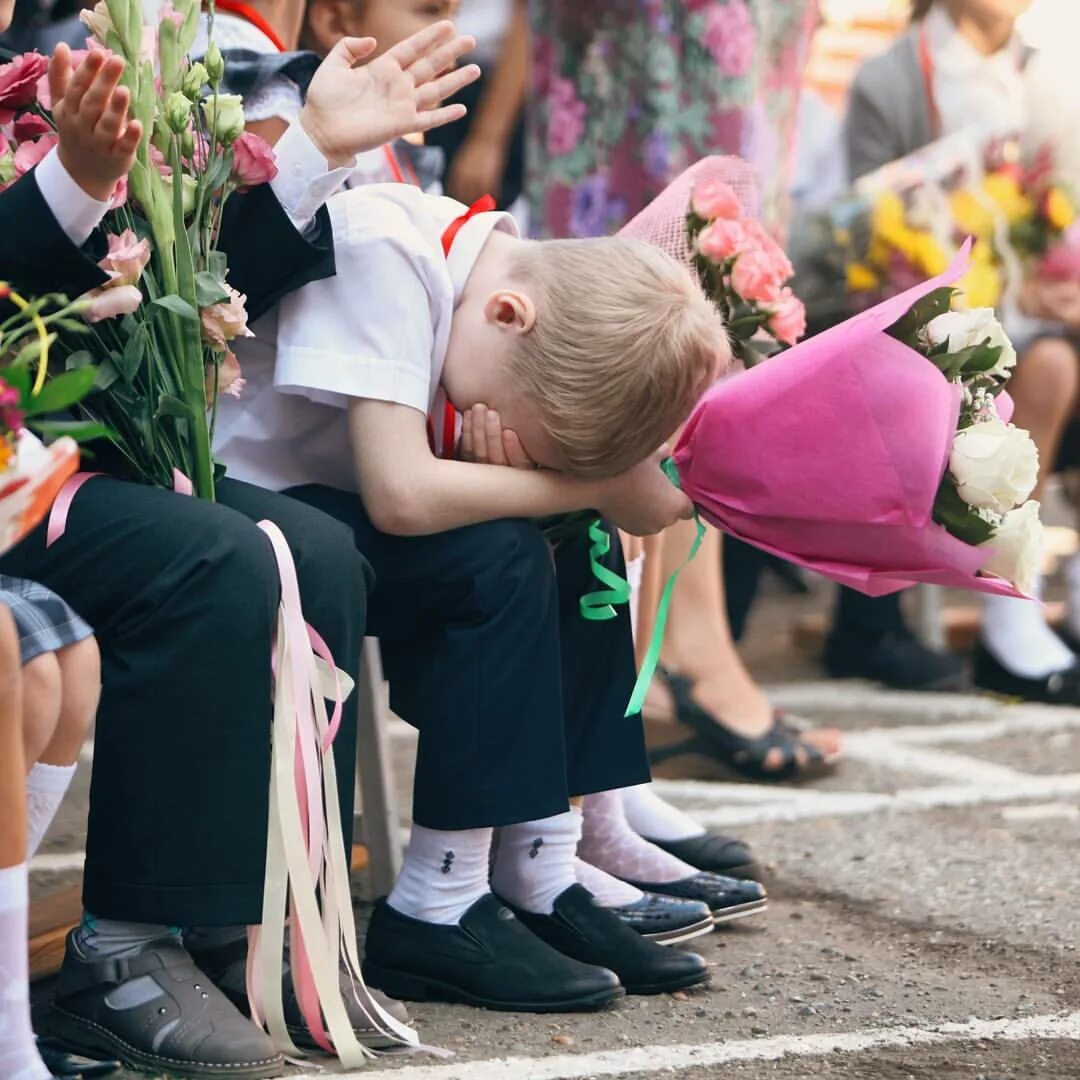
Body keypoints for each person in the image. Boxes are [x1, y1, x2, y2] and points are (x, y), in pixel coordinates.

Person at [0, 20, 480, 1077]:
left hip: (62, 449)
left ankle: (249, 918)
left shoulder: (53, 59)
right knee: (212, 561)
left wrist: (314, 148)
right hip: (20, 467)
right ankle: (122, 948)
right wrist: (73, 186)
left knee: (310, 549)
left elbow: (177, 292)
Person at [214, 176, 780, 1008]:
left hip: (334, 505)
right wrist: (586, 486)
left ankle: (544, 861)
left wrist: (584, 490)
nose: (507, 427)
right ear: (511, 315)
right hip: (252, 500)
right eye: (525, 418)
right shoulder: (387, 250)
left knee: (564, 539)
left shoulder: (494, 271)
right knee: (510, 551)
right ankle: (436, 906)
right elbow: (401, 494)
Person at [524, 0, 843, 784]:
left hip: (732, 34)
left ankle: (673, 650)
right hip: (648, 36)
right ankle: (672, 650)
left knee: (726, 282)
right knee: (666, 286)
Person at [843, 0, 1080, 703]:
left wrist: (1058, 287)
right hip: (930, 327)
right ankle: (1010, 608)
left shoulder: (1050, 74)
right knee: (1051, 365)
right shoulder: (889, 80)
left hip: (1038, 315)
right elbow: (867, 244)